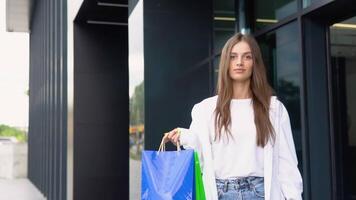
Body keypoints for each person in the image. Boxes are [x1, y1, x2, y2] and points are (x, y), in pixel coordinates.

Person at [163, 33, 303, 200]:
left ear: (255, 63)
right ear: (225, 63)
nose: (239, 62)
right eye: (233, 57)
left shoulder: (273, 108)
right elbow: (201, 155)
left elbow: (287, 164)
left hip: (261, 193)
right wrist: (183, 137)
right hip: (220, 192)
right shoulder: (205, 109)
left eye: (247, 57)